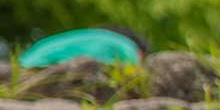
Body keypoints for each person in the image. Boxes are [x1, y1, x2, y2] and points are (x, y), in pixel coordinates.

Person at [18, 26, 148, 68]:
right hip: (38, 66)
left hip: (26, 60)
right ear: (141, 53)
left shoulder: (100, 36)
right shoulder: (128, 48)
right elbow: (133, 72)